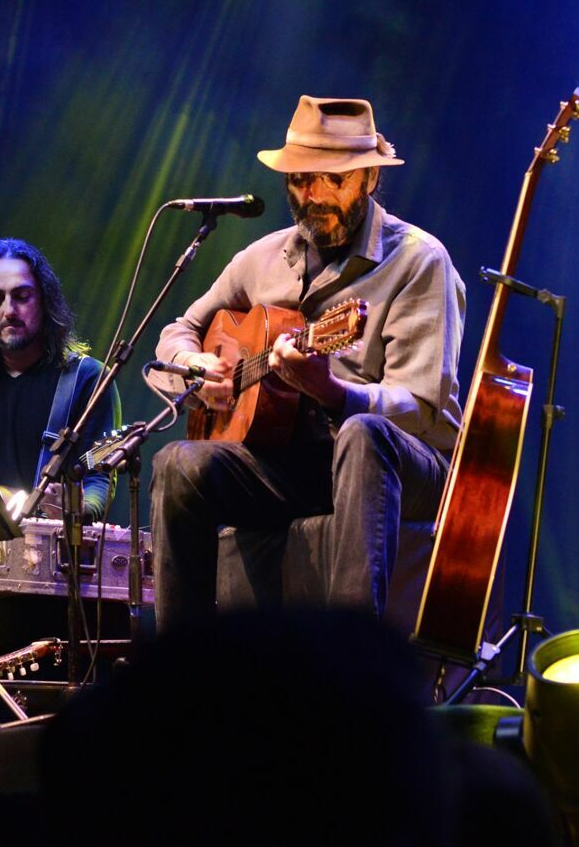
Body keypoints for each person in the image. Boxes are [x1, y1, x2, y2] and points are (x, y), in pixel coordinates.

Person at [150, 95, 465, 629]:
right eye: (299, 180)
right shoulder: (261, 258)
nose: (312, 196)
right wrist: (195, 366)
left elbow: (422, 410)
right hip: (293, 463)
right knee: (179, 464)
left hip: (401, 467)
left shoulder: (418, 261)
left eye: (331, 180)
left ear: (369, 178)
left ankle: (347, 657)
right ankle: (187, 665)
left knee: (363, 434)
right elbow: (176, 333)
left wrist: (333, 393)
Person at [0, 239, 120, 521]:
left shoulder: (87, 379)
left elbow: (98, 475)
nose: (9, 311)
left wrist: (78, 508)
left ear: (44, 301)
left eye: (22, 296)